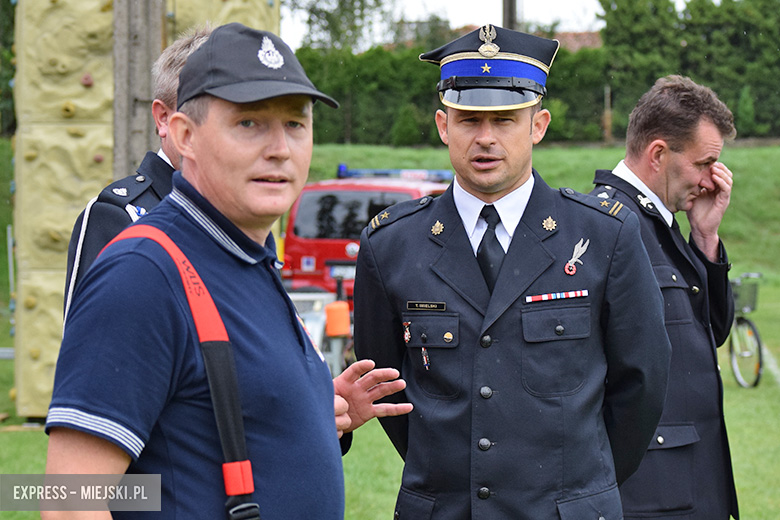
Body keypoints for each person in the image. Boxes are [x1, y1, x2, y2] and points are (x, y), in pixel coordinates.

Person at [44, 23, 411, 519]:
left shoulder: (247, 255)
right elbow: (68, 500)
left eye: (295, 124)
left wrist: (308, 412)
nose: (280, 147)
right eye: (249, 123)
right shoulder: (142, 273)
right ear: (183, 135)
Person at [353, 24, 672, 519]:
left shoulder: (604, 237)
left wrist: (580, 486)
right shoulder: (390, 245)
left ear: (537, 125)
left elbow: (642, 383)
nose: (485, 138)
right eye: (468, 120)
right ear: (443, 125)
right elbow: (389, 388)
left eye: (504, 120)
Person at [591, 75, 739, 520]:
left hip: (691, 485)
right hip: (649, 495)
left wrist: (706, 237)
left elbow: (711, 332)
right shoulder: (605, 225)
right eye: (704, 162)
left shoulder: (660, 224)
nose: (712, 178)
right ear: (659, 153)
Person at [63, 25, 212, 319]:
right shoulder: (119, 216)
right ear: (164, 119)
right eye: (205, 110)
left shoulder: (237, 223)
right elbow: (93, 354)